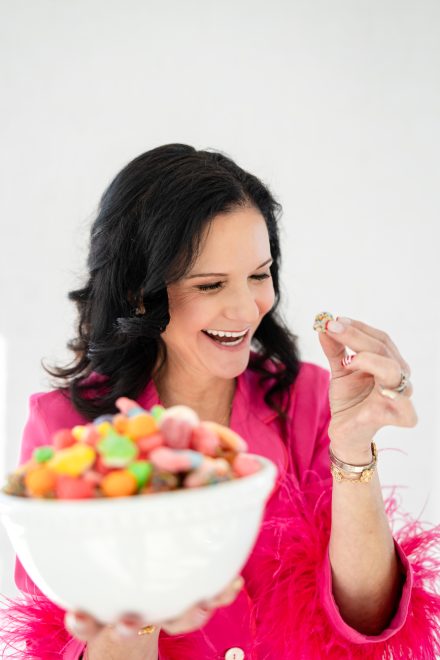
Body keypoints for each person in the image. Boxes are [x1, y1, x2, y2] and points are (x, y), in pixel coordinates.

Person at [1, 144, 439, 659]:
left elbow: (367, 620)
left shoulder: (310, 400)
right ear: (141, 294)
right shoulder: (65, 432)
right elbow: (64, 641)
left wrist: (353, 449)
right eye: (210, 284)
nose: (244, 308)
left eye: (259, 275)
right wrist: (138, 606)